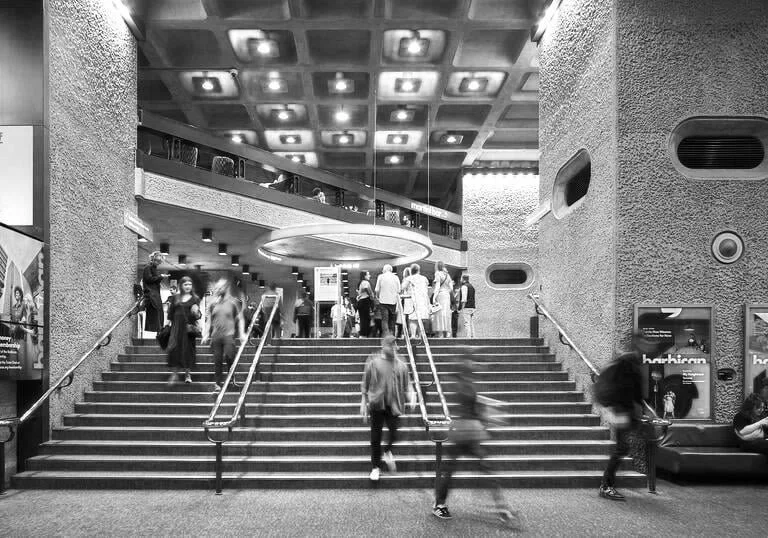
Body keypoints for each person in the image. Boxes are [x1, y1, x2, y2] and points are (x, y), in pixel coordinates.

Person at [433, 355, 516, 524]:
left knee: (480, 467)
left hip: (468, 433)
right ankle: (439, 504)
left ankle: (501, 507)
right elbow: (471, 407)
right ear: (465, 366)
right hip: (464, 432)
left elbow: (474, 406)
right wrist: (485, 416)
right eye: (472, 362)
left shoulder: (467, 383)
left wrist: (485, 415)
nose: (475, 365)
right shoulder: (463, 384)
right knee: (462, 468)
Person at [360, 335, 416, 481]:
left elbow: (407, 382)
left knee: (394, 432)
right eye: (391, 345)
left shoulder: (400, 364)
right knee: (375, 438)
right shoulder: (374, 362)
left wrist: (411, 394)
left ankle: (388, 451)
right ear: (384, 346)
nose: (395, 348)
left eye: (395, 345)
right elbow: (365, 381)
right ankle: (375, 467)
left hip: (393, 403)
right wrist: (363, 401)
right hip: (377, 403)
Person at [595, 347, 643, 501]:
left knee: (622, 447)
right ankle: (606, 485)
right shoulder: (629, 367)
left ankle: (607, 484)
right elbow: (634, 392)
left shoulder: (620, 365)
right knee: (621, 447)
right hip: (622, 411)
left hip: (617, 411)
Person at [203, 279, 246, 394]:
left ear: (226, 288)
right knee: (217, 360)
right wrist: (206, 333)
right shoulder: (212, 303)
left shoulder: (233, 302)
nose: (217, 290)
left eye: (220, 288)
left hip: (228, 335)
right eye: (216, 288)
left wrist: (242, 334)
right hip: (216, 336)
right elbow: (209, 321)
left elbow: (240, 318)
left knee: (229, 356)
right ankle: (217, 384)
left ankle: (231, 378)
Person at [166, 276, 201, 385]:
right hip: (176, 329)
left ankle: (187, 374)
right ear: (181, 285)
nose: (188, 286)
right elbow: (170, 314)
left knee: (188, 351)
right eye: (185, 284)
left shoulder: (195, 298)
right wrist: (167, 326)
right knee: (175, 350)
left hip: (188, 329)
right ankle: (174, 373)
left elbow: (198, 316)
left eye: (190, 284)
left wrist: (196, 312)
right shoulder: (176, 298)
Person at [401, 264, 430, 341]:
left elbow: (402, 287)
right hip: (423, 300)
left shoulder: (409, 278)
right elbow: (426, 288)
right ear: (419, 270)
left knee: (413, 318)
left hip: (413, 300)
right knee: (421, 318)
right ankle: (420, 335)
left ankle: (413, 335)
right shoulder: (424, 278)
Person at [374, 264, 400, 338]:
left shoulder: (381, 276)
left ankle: (386, 336)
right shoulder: (396, 277)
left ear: (384, 270)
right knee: (392, 320)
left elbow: (377, 289)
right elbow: (399, 290)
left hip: (383, 301)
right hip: (393, 301)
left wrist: (378, 297)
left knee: (385, 319)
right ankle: (391, 335)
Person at [142, 251, 165, 333]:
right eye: (157, 261)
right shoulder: (148, 267)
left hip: (155, 294)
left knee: (158, 313)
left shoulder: (153, 268)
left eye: (159, 261)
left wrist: (159, 278)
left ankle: (159, 332)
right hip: (151, 294)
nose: (158, 263)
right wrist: (160, 277)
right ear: (153, 259)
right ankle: (158, 332)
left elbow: (153, 280)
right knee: (156, 313)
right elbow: (148, 279)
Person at [432, 262, 453, 338]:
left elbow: (437, 287)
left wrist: (434, 297)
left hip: (440, 295)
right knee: (446, 313)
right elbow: (451, 288)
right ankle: (448, 332)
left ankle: (440, 333)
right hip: (447, 295)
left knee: (439, 313)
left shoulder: (438, 273)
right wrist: (447, 291)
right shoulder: (447, 275)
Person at [459, 274, 476, 338]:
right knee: (471, 323)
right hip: (473, 307)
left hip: (466, 307)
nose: (460, 280)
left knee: (467, 323)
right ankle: (473, 336)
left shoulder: (464, 287)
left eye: (461, 279)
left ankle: (468, 337)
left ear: (463, 279)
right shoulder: (472, 287)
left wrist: (462, 308)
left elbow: (464, 299)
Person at [356, 271, 373, 337]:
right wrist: (371, 295)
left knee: (363, 318)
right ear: (364, 276)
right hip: (365, 301)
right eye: (368, 274)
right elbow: (367, 288)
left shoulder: (360, 283)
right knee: (366, 318)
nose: (369, 276)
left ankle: (362, 334)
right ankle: (365, 334)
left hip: (360, 302)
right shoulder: (365, 282)